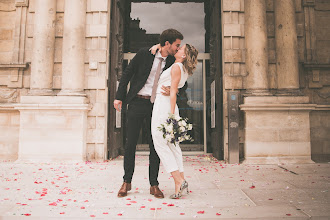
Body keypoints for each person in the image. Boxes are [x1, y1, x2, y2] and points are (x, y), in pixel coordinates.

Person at [113, 29, 183, 198]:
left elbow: (183, 81)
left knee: (155, 145)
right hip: (137, 101)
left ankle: (154, 184)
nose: (177, 48)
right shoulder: (145, 53)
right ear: (167, 43)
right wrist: (119, 97)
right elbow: (127, 74)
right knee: (130, 144)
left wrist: (175, 90)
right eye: (176, 45)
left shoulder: (174, 60)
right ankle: (126, 181)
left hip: (157, 105)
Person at [151, 44, 198, 199]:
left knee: (159, 141)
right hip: (165, 103)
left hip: (164, 106)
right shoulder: (181, 68)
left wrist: (171, 115)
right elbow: (174, 89)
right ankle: (181, 181)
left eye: (181, 49)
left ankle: (178, 179)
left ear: (184, 56)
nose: (177, 49)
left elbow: (173, 93)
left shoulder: (177, 67)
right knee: (172, 145)